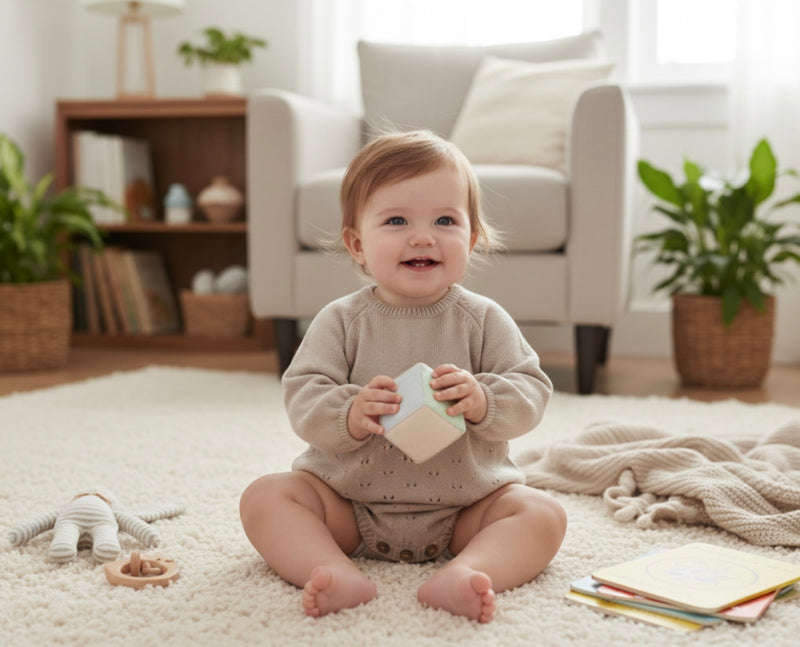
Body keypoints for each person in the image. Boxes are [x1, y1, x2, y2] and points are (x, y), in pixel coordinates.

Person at [240, 130, 567, 623]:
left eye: (445, 220)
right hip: (348, 506)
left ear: (472, 238)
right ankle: (328, 566)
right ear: (357, 244)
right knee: (265, 497)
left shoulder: (483, 319)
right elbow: (304, 394)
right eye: (396, 220)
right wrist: (350, 413)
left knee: (543, 514)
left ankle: (468, 572)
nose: (423, 236)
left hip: (466, 509)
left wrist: (484, 401)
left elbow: (531, 388)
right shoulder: (341, 320)